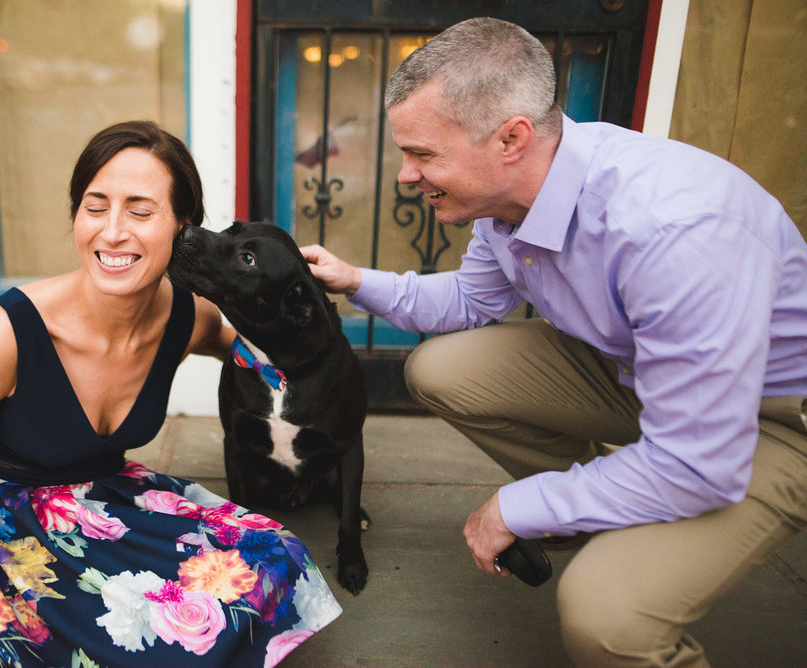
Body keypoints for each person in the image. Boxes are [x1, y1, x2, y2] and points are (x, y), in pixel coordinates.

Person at [301, 17, 807, 668]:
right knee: (442, 369)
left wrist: (522, 504)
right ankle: (616, 506)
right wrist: (354, 280)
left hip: (767, 424)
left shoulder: (672, 231)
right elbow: (469, 301)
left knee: (606, 619)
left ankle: (623, 518)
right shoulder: (511, 200)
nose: (405, 175)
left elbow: (698, 462)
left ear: (511, 138)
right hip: (640, 376)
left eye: (423, 155)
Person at [0, 120, 342, 667]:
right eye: (95, 207)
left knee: (277, 556)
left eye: (140, 211)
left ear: (184, 226)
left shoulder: (188, 317)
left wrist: (298, 290)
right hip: (8, 528)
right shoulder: (4, 335)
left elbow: (265, 349)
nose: (112, 232)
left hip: (107, 502)